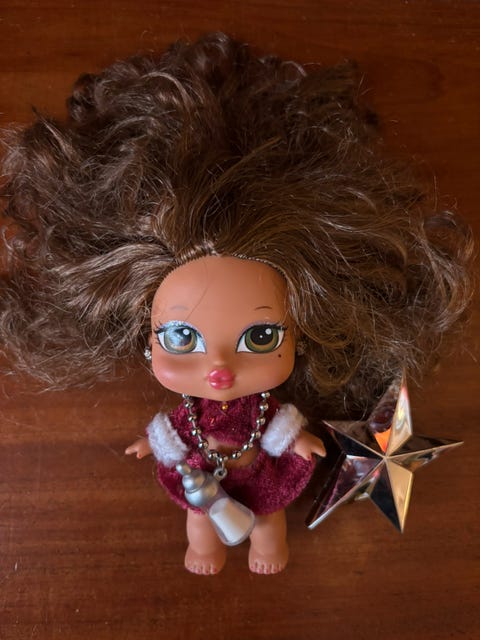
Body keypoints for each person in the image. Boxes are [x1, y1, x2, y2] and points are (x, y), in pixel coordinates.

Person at [0, 32, 473, 574]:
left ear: (306, 330)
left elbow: (279, 425)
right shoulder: (192, 414)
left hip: (259, 472)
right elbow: (173, 431)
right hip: (203, 475)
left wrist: (298, 441)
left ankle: (269, 547)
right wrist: (152, 442)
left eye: (261, 337)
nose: (219, 368)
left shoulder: (259, 410)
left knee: (267, 519)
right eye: (181, 337)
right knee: (200, 520)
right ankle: (202, 548)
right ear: (140, 333)